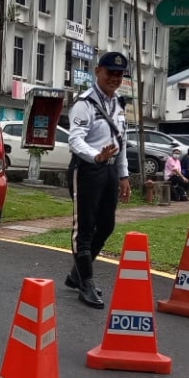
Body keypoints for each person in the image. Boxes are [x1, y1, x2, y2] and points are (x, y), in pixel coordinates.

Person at [64, 51, 132, 309]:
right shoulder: (85, 103)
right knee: (85, 228)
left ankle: (76, 274)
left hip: (110, 170)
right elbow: (75, 139)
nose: (114, 78)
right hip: (88, 169)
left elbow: (121, 142)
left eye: (119, 74)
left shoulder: (118, 105)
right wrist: (96, 156)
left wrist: (123, 174)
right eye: (109, 73)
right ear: (97, 72)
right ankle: (86, 282)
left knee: (106, 226)